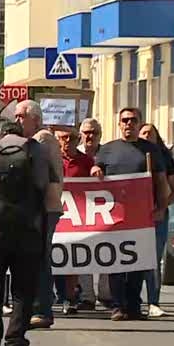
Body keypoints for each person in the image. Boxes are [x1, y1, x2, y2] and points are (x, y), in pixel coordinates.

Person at [0, 121, 55, 346]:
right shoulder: (36, 150)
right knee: (23, 289)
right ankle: (16, 343)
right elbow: (45, 187)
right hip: (29, 229)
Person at [91, 107, 169, 321]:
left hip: (142, 216)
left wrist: (161, 208)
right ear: (119, 124)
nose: (128, 124)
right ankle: (118, 306)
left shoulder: (151, 150)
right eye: (124, 120)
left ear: (139, 122)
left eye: (133, 120)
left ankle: (134, 305)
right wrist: (96, 171)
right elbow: (95, 170)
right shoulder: (108, 149)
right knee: (115, 262)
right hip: (114, 215)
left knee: (138, 262)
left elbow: (161, 182)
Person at [14, 101, 64, 330]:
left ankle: (42, 308)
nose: (16, 121)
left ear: (34, 118)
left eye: (20, 116)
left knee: (40, 258)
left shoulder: (42, 139)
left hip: (44, 207)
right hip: (39, 207)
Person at [139, 122, 174, 318]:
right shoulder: (129, 154)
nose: (147, 136)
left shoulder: (164, 158)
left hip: (157, 216)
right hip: (132, 217)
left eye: (151, 133)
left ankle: (153, 301)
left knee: (153, 259)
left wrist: (162, 207)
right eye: (144, 133)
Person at [55, 126, 93, 316]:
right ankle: (56, 296)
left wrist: (96, 171)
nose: (67, 141)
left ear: (78, 140)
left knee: (71, 259)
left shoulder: (85, 161)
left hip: (77, 217)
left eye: (71, 138)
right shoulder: (51, 159)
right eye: (63, 138)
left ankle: (70, 298)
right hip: (54, 213)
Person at [76, 117, 106, 309]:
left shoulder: (108, 154)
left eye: (94, 132)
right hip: (79, 212)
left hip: (104, 210)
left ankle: (106, 294)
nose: (90, 136)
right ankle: (87, 296)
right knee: (83, 254)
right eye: (87, 132)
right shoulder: (74, 154)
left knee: (106, 252)